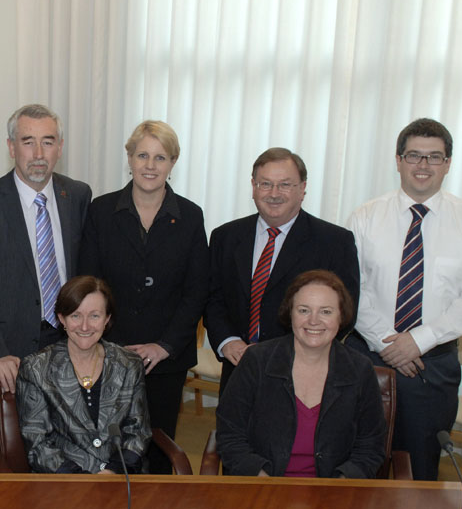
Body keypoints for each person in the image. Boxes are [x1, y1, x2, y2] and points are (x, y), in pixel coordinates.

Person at [346, 118, 462, 481]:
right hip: (366, 359)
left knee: (419, 468)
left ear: (448, 163)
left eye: (434, 157)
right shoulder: (364, 217)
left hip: (433, 366)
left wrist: (418, 340)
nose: (423, 166)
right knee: (357, 460)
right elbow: (351, 287)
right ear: (398, 160)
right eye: (414, 155)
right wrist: (389, 343)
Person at [78, 120, 209, 474]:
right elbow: (89, 286)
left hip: (166, 357)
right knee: (108, 445)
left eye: (160, 157)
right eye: (143, 155)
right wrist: (109, 345)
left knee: (159, 445)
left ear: (173, 163)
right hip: (107, 352)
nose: (150, 165)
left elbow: (197, 291)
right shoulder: (101, 211)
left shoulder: (191, 216)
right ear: (130, 158)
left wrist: (164, 345)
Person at [0, 104, 92, 407]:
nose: (38, 153)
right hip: (10, 351)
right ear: (11, 147)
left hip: (70, 342)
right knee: (14, 445)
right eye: (27, 142)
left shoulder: (79, 196)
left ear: (60, 147)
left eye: (48, 141)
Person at [204, 147, 359, 392]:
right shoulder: (226, 236)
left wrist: (285, 352)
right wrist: (228, 342)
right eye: (265, 184)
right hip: (238, 367)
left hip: (302, 374)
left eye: (285, 185)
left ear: (302, 189)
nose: (274, 194)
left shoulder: (334, 242)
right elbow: (213, 298)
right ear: (253, 187)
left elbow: (345, 312)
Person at [215, 270, 385, 478]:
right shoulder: (257, 360)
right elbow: (230, 434)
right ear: (290, 313)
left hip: (335, 492)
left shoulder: (360, 369)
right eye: (304, 310)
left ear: (342, 316)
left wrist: (340, 485)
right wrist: (261, 479)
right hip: (262, 486)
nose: (314, 321)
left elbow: (370, 446)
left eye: (326, 312)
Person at [17, 276, 151, 474]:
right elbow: (38, 444)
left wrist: (112, 472)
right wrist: (83, 481)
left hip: (121, 479)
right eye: (76, 316)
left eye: (94, 316)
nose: (85, 326)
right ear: (62, 319)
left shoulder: (129, 364)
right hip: (64, 484)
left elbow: (137, 431)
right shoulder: (36, 368)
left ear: (107, 319)